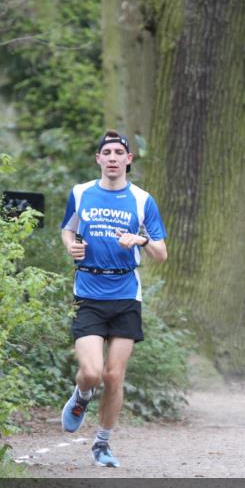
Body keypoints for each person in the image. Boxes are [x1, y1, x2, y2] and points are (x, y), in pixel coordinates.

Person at [59, 130, 168, 467]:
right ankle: (82, 395)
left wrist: (140, 240)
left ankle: (102, 444)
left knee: (114, 376)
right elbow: (67, 228)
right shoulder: (80, 193)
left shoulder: (142, 200)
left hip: (125, 295)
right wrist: (71, 246)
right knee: (92, 372)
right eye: (106, 153)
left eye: (118, 153)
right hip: (88, 292)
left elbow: (161, 253)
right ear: (98, 159)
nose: (112, 158)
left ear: (128, 159)